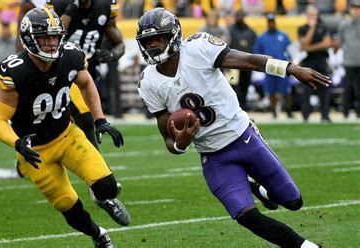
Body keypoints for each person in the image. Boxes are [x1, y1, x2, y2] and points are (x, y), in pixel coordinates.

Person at [136, 8, 329, 247]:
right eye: (148, 41)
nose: (153, 45)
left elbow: (248, 60)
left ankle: (258, 188)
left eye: (159, 39)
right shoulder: (148, 82)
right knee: (245, 215)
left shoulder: (198, 48)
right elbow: (168, 140)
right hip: (214, 156)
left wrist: (290, 68)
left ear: (173, 36)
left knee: (293, 201)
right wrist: (180, 143)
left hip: (244, 136)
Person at [0, 8, 130, 248]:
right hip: (35, 152)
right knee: (68, 205)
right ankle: (98, 234)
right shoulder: (17, 71)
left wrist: (100, 120)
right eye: (45, 37)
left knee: (107, 186)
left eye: (55, 36)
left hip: (66, 135)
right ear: (30, 39)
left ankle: (102, 198)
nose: (52, 42)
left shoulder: (70, 57)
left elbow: (87, 84)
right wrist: (17, 143)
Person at [15, 0, 125, 181]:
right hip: (62, 71)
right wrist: (72, 9)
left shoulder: (104, 5)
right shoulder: (59, 5)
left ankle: (24, 161)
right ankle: (100, 176)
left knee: (55, 123)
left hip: (87, 73)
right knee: (86, 118)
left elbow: (119, 43)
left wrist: (112, 55)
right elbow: (56, 34)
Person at [254, 13, 293, 119]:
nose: (271, 24)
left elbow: (290, 49)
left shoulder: (283, 35)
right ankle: (273, 112)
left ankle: (289, 111)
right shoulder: (262, 38)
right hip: (269, 66)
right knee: (271, 91)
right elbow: (257, 52)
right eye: (269, 22)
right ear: (267, 23)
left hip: (282, 66)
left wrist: (291, 61)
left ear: (275, 23)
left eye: (272, 22)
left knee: (285, 91)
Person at [298, 4, 332, 123]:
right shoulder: (302, 28)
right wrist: (312, 28)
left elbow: (327, 43)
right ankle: (306, 115)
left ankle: (325, 115)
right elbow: (303, 44)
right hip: (308, 63)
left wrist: (309, 48)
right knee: (306, 89)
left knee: (325, 88)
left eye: (314, 14)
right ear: (307, 15)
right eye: (310, 14)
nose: (313, 16)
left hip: (321, 61)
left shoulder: (323, 27)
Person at [228, 10, 257, 111]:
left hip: (247, 65)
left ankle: (243, 108)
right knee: (233, 88)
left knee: (245, 87)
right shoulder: (230, 30)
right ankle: (235, 108)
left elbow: (254, 47)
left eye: (241, 15)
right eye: (238, 15)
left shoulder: (250, 31)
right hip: (233, 65)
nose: (239, 17)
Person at [338, 0, 360, 119]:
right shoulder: (344, 25)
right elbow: (340, 42)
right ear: (350, 10)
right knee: (347, 88)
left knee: (359, 89)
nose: (356, 11)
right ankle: (345, 111)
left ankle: (358, 112)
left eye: (358, 8)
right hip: (349, 61)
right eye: (354, 8)